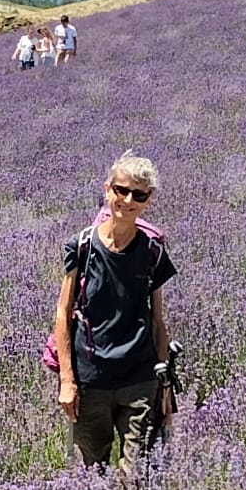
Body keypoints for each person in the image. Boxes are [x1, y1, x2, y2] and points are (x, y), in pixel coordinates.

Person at [53, 152, 177, 466]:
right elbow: (63, 314)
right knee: (94, 470)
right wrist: (68, 381)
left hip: (139, 377)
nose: (128, 200)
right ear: (108, 190)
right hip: (91, 380)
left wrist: (164, 386)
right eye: (121, 190)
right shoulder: (80, 247)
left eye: (139, 194)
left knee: (137, 474)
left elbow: (157, 321)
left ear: (149, 199)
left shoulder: (152, 252)